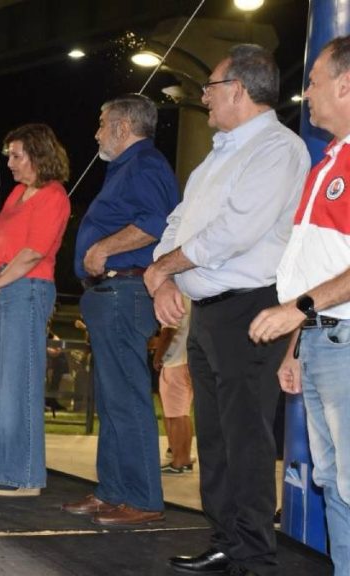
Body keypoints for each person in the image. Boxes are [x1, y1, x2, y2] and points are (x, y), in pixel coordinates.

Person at [143, 45, 310, 575]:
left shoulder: (277, 151)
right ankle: (225, 539)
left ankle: (255, 555)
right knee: (214, 435)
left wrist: (165, 268)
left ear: (238, 89)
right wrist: (163, 274)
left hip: (251, 309)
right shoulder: (218, 154)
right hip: (208, 310)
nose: (203, 96)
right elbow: (178, 221)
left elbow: (234, 233)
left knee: (246, 438)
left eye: (210, 87)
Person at [248, 35, 350, 576]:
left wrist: (299, 312)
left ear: (345, 83)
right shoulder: (329, 161)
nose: (305, 93)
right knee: (335, 483)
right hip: (321, 339)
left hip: (345, 341)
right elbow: (312, 270)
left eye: (312, 81)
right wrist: (296, 346)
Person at [62, 94, 178, 526]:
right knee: (113, 400)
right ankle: (113, 490)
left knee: (126, 398)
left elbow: (157, 221)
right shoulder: (127, 168)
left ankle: (143, 497)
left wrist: (103, 248)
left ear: (123, 127)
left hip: (125, 291)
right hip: (111, 295)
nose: (95, 132)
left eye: (101, 122)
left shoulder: (144, 164)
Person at [0, 123, 70, 497]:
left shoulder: (54, 195)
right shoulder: (16, 194)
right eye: (8, 155)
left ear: (38, 154)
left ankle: (23, 475)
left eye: (16, 155)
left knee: (19, 383)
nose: (10, 162)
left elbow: (33, 253)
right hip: (4, 287)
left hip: (28, 289)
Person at [153, 296, 195, 474]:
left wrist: (157, 356)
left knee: (174, 416)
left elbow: (169, 331)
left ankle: (179, 460)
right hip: (187, 361)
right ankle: (183, 457)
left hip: (174, 362)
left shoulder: (174, 297)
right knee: (182, 414)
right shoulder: (190, 298)